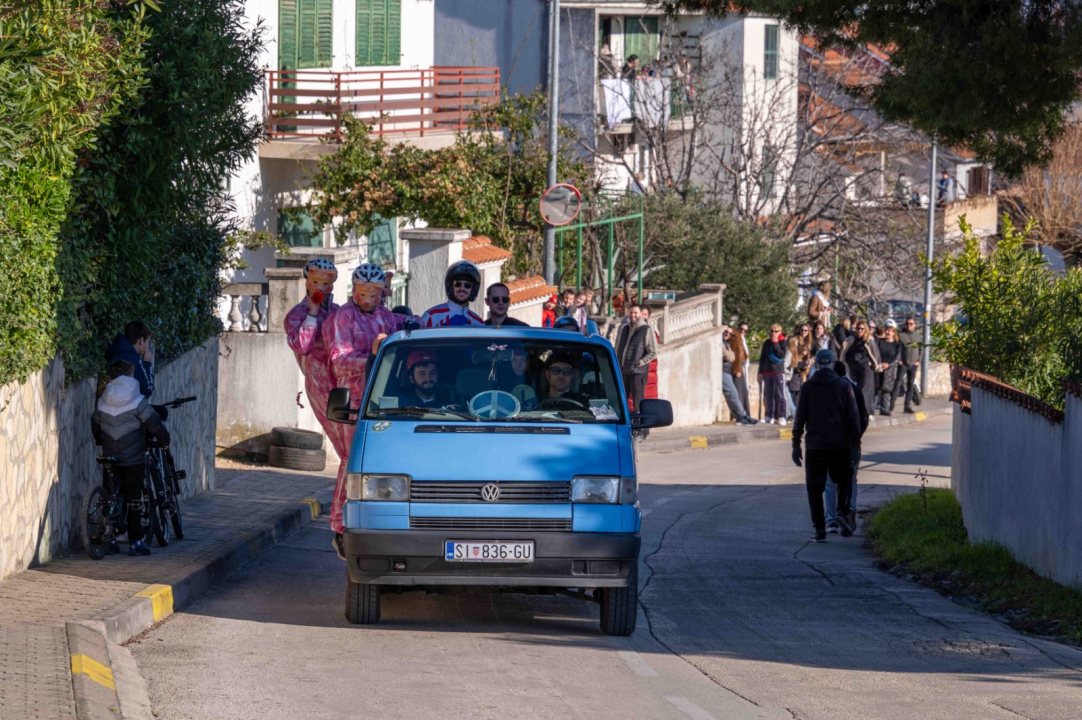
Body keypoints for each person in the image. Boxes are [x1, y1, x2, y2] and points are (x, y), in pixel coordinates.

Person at [324, 263, 419, 558]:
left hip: (386, 401)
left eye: (375, 294)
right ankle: (339, 526)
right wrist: (372, 357)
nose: (369, 299)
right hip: (352, 400)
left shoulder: (384, 316)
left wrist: (415, 324)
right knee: (350, 459)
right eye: (364, 293)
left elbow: (404, 325)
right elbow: (339, 358)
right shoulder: (344, 317)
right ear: (354, 290)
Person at [284, 258, 352, 516]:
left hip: (345, 384)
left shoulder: (336, 311)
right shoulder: (297, 314)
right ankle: (339, 515)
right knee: (346, 450)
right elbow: (302, 346)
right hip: (322, 387)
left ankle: (346, 509)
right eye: (316, 282)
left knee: (353, 448)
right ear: (306, 281)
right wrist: (312, 313)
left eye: (326, 283)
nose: (321, 288)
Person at [91, 359, 170, 557]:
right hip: (133, 458)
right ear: (131, 375)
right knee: (133, 498)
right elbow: (154, 423)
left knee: (111, 494)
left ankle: (110, 537)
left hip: (110, 455)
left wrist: (101, 441)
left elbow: (95, 423)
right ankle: (136, 542)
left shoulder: (102, 399)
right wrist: (164, 440)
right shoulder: (137, 399)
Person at [791, 349, 861, 542]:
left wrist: (796, 445)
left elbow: (799, 420)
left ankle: (820, 529)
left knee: (815, 488)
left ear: (816, 365)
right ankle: (841, 511)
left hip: (815, 446)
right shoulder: (844, 386)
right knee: (844, 480)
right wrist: (855, 445)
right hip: (840, 446)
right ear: (832, 364)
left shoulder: (807, 387)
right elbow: (853, 419)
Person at [824, 360, 870, 534]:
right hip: (850, 444)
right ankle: (848, 513)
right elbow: (863, 418)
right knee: (850, 480)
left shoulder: (827, 391)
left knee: (830, 483)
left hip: (829, 445)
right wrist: (856, 438)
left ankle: (831, 521)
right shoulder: (855, 390)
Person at [615, 304, 655, 421]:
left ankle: (642, 428)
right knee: (622, 400)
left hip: (638, 372)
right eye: (631, 312)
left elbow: (652, 352)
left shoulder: (646, 329)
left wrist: (641, 362)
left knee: (638, 402)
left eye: (635, 313)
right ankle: (627, 425)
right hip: (624, 371)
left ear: (640, 314)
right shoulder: (625, 329)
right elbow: (619, 348)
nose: (633, 315)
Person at [420, 261, 485, 328]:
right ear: (450, 286)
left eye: (467, 285)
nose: (462, 288)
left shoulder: (478, 323)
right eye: (457, 284)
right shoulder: (431, 317)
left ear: (473, 289)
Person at [839, 320, 880, 420]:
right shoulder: (852, 338)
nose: (860, 330)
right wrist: (840, 364)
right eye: (858, 328)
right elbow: (843, 350)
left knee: (866, 389)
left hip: (866, 367)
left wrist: (875, 364)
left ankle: (867, 412)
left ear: (865, 329)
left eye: (862, 329)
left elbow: (875, 354)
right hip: (854, 367)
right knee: (855, 389)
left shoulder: (869, 340)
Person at [105, 320, 155, 399]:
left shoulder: (115, 351)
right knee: (162, 411)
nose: (147, 347)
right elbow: (147, 390)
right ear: (141, 341)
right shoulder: (134, 359)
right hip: (126, 408)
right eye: (147, 342)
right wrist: (147, 364)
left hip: (106, 404)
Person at [722, 326, 756, 425]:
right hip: (723, 371)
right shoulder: (720, 343)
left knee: (733, 394)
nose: (727, 334)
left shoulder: (727, 343)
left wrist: (731, 355)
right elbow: (729, 356)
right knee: (732, 394)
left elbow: (734, 355)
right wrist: (731, 355)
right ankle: (742, 416)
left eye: (729, 333)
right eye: (725, 332)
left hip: (727, 370)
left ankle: (741, 416)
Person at [758, 324, 788, 425]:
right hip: (767, 371)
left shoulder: (783, 342)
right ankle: (769, 416)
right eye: (772, 331)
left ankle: (782, 416)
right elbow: (762, 358)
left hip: (778, 372)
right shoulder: (767, 342)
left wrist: (775, 342)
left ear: (780, 332)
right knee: (769, 395)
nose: (774, 333)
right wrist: (760, 372)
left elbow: (782, 354)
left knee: (781, 395)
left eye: (776, 331)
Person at [876, 322, 905, 416]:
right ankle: (871, 409)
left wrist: (888, 365)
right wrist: (880, 363)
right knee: (876, 389)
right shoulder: (880, 342)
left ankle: (885, 409)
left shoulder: (897, 345)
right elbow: (875, 353)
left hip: (890, 370)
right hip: (879, 368)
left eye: (890, 330)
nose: (887, 332)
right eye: (887, 330)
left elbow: (897, 357)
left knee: (886, 390)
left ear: (893, 333)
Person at [784, 324, 812, 420]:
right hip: (794, 373)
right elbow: (791, 364)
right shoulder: (793, 345)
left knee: (799, 395)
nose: (804, 332)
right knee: (792, 395)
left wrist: (807, 363)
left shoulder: (808, 342)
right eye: (802, 330)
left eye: (806, 330)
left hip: (802, 372)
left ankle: (796, 415)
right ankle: (794, 416)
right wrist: (805, 362)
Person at [897, 316, 922, 413]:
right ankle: (890, 407)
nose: (909, 325)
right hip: (903, 363)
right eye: (907, 324)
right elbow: (897, 349)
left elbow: (921, 349)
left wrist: (919, 360)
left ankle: (907, 406)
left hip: (913, 364)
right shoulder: (901, 335)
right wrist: (899, 360)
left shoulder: (917, 336)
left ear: (914, 325)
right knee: (898, 383)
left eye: (911, 324)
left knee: (910, 386)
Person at [641, 306, 661, 402]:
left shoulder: (651, 334)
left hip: (646, 376)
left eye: (645, 314)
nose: (643, 317)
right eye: (641, 314)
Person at [732, 322, 752, 415]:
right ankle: (740, 414)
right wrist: (737, 369)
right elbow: (736, 355)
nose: (742, 331)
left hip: (742, 368)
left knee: (743, 392)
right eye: (741, 329)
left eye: (745, 330)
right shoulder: (735, 338)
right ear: (737, 328)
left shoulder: (742, 339)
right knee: (739, 392)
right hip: (738, 368)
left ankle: (744, 413)